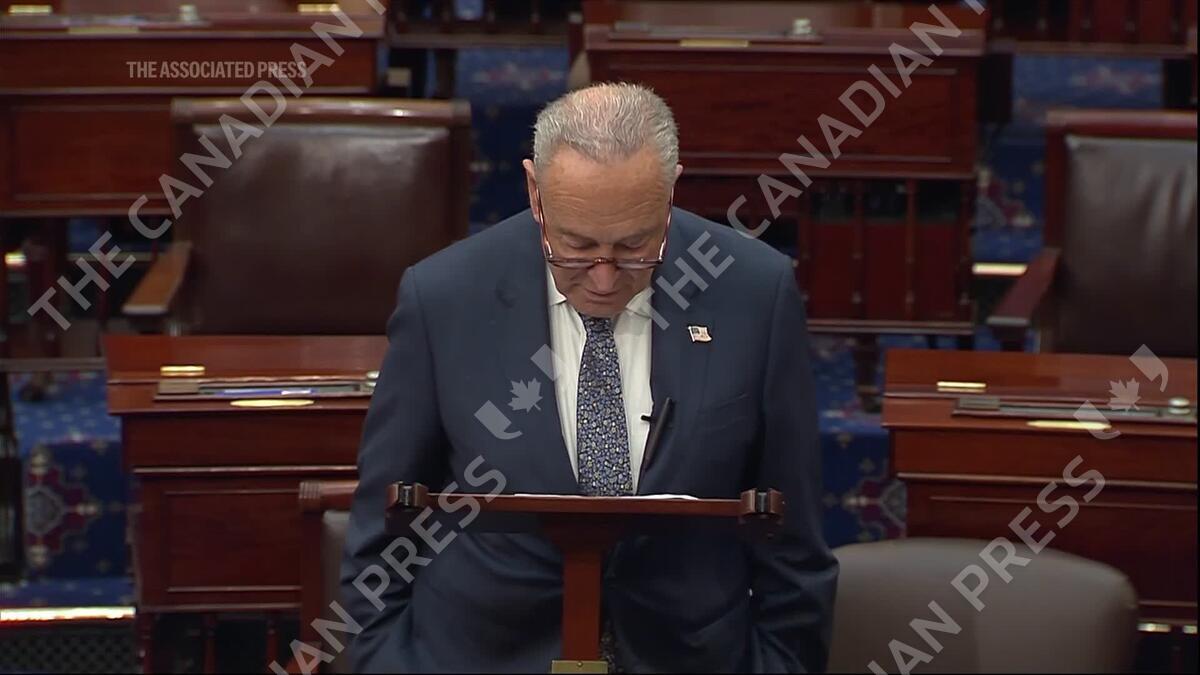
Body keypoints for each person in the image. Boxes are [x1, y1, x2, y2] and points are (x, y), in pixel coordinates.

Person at [341, 82, 838, 673]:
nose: (603, 279)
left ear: (671, 190)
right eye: (576, 247)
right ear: (535, 191)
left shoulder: (755, 292)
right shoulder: (444, 297)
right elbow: (383, 526)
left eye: (634, 247)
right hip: (483, 654)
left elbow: (793, 537)